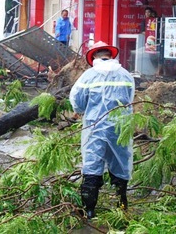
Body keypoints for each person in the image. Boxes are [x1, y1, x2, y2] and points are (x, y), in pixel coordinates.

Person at [69, 41, 135, 219]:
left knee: (92, 165)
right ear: (110, 55)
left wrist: (85, 110)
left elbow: (77, 102)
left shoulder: (88, 76)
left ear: (95, 57)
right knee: (121, 164)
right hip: (120, 128)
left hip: (95, 128)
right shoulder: (126, 75)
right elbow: (130, 100)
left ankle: (89, 211)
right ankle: (122, 206)